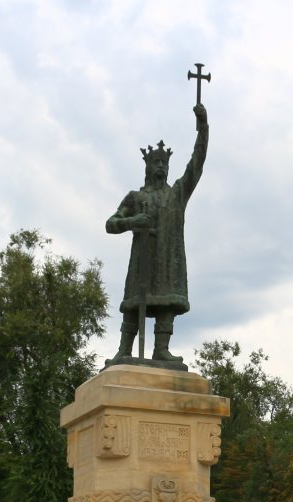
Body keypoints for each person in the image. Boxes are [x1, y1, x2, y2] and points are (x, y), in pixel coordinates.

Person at [105, 103, 208, 365]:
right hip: (142, 261)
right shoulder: (136, 196)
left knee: (166, 302)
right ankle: (124, 349)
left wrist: (203, 129)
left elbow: (196, 165)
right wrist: (131, 221)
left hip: (167, 262)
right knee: (132, 303)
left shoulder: (177, 194)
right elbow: (110, 223)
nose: (161, 166)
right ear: (148, 167)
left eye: (164, 162)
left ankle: (161, 349)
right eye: (156, 162)